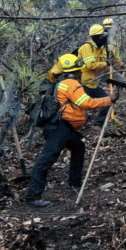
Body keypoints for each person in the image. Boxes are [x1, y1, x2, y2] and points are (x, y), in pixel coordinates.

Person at [25, 54, 117, 208]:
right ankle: (33, 196)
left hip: (63, 127)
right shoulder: (71, 83)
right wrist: (109, 99)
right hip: (59, 127)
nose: (82, 72)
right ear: (77, 70)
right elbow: (85, 102)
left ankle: (74, 184)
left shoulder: (60, 82)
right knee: (45, 160)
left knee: (78, 147)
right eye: (80, 69)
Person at [77, 24, 118, 128]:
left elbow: (103, 62)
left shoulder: (102, 48)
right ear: (95, 37)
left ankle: (97, 124)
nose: (104, 39)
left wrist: (109, 61)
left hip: (93, 83)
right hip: (83, 83)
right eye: (102, 37)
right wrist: (105, 64)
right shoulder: (87, 47)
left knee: (107, 101)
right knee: (78, 106)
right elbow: (91, 65)